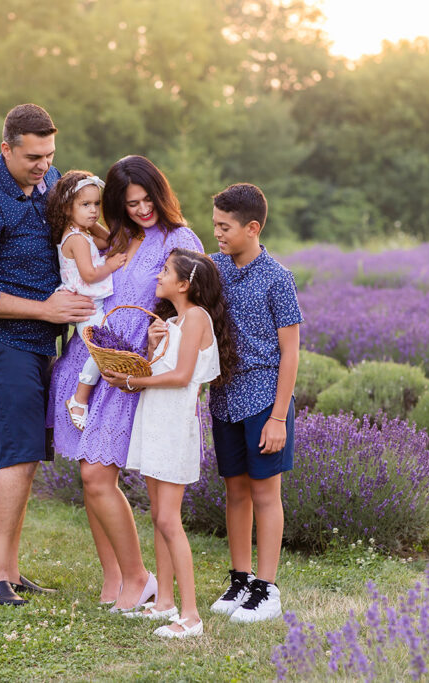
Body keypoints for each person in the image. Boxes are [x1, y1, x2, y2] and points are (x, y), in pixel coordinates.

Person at [0, 103, 95, 607]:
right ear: (5, 148)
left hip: (35, 338)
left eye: (50, 155)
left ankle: (10, 568)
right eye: (33, 156)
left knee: (29, 451)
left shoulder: (47, 179)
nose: (43, 166)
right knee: (15, 452)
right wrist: (46, 310)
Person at [48, 155, 203, 612]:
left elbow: (199, 302)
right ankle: (114, 579)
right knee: (88, 474)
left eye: (147, 199)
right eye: (130, 202)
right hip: (90, 358)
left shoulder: (179, 239)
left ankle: (140, 578)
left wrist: (165, 331)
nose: (141, 210)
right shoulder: (116, 234)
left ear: (161, 193)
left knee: (98, 475)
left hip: (130, 367)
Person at [101, 249, 238, 639]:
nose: (158, 277)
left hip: (175, 424)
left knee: (168, 519)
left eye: (165, 272)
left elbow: (181, 378)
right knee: (158, 515)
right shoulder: (174, 321)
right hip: (155, 420)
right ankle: (164, 602)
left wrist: (130, 382)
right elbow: (159, 368)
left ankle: (191, 616)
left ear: (185, 284)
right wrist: (150, 344)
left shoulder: (196, 317)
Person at [207, 183, 302, 623]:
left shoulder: (278, 278)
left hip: (265, 399)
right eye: (214, 226)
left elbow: (291, 352)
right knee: (235, 491)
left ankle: (267, 588)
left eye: (225, 228)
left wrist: (279, 417)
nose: (218, 235)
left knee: (266, 493)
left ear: (252, 228)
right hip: (224, 397)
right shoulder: (213, 269)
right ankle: (240, 579)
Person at [44, 170, 128, 430]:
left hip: (92, 304)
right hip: (86, 305)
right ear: (67, 208)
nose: (93, 210)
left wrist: (88, 219)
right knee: (103, 350)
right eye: (85, 205)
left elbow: (107, 239)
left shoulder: (83, 232)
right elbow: (90, 275)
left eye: (96, 204)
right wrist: (112, 264)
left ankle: (81, 397)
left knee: (105, 346)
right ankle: (79, 399)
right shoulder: (77, 239)